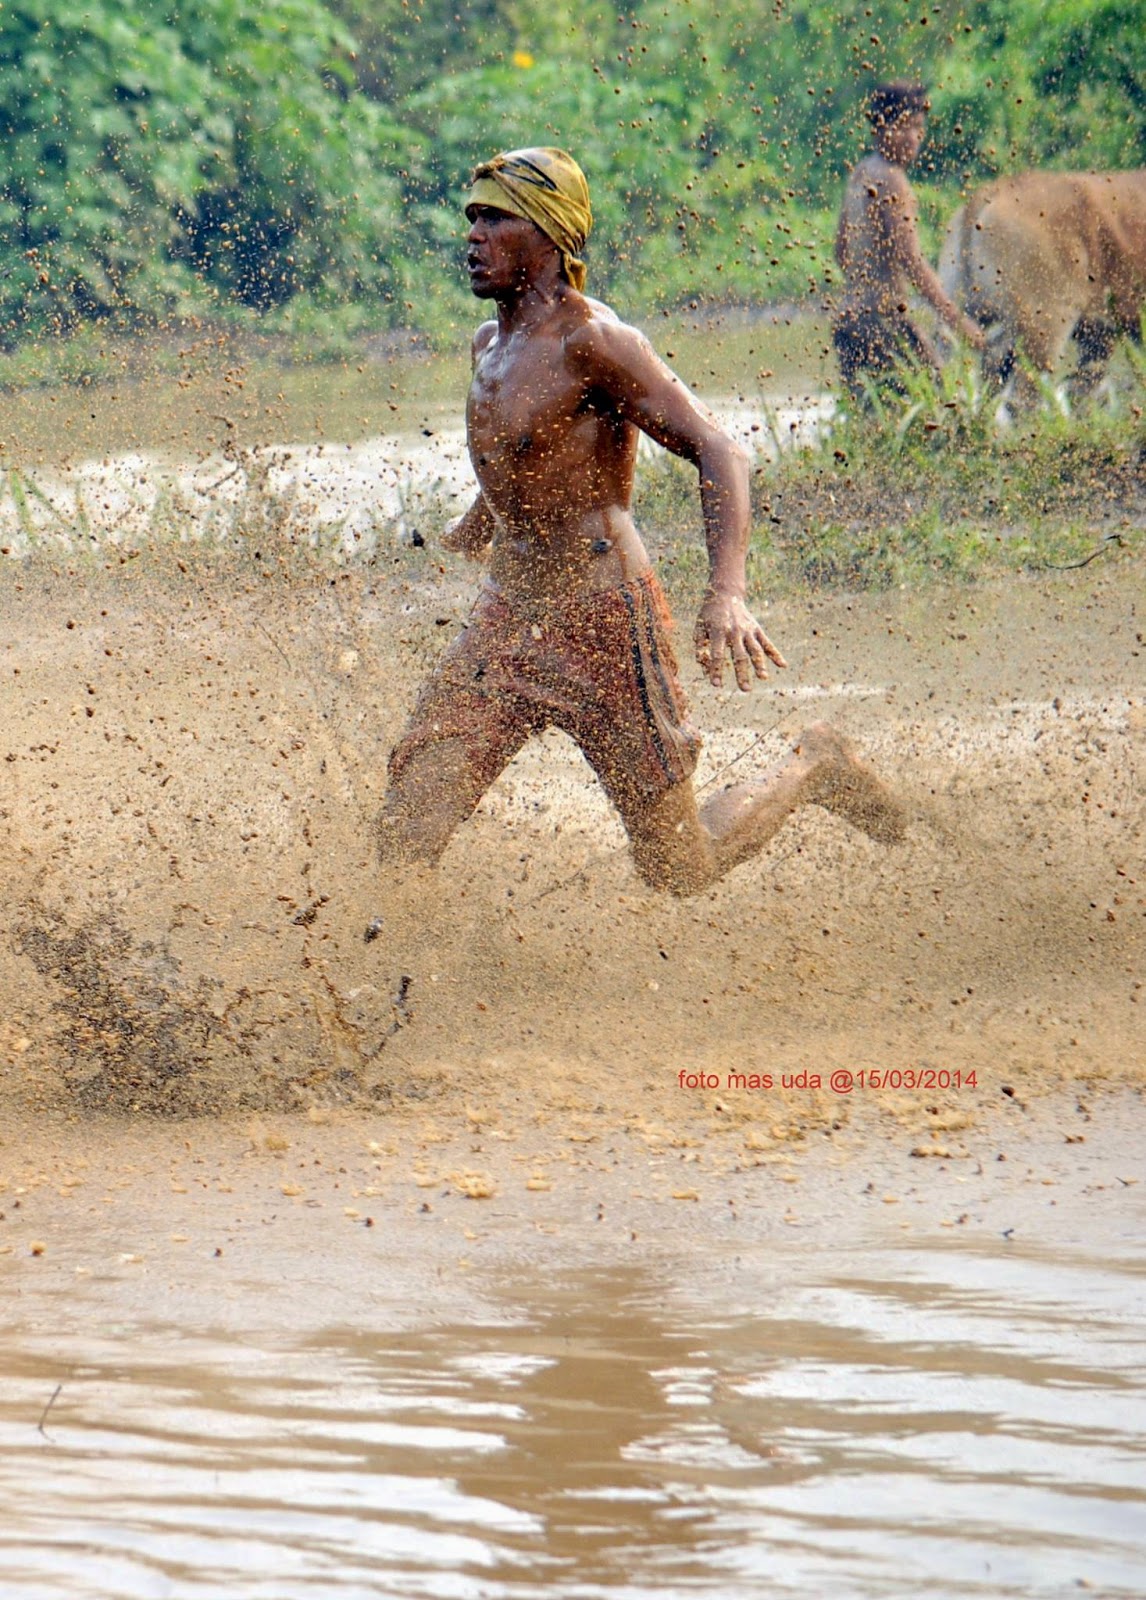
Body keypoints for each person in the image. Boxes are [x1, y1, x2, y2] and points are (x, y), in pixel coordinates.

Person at [376, 146, 904, 897]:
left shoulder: (595, 342)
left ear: (551, 236)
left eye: (496, 219)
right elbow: (524, 450)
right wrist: (478, 524)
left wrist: (727, 592)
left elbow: (721, 451)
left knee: (679, 867)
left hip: (603, 625)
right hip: (506, 617)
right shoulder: (487, 345)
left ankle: (815, 764)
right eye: (472, 218)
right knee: (406, 830)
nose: (474, 235)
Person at [834, 82, 986, 400]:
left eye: (919, 127)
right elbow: (912, 261)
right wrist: (958, 320)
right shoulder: (892, 180)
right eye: (904, 127)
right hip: (882, 324)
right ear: (880, 130)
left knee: (873, 419)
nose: (914, 137)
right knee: (940, 404)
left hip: (848, 324)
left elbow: (841, 251)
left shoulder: (861, 172)